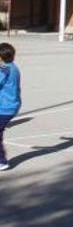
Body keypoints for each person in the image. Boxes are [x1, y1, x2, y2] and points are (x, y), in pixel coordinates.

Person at [0, 43, 22, 172]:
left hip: (5, 108)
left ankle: (2, 161)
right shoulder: (13, 67)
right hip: (11, 105)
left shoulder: (4, 69)